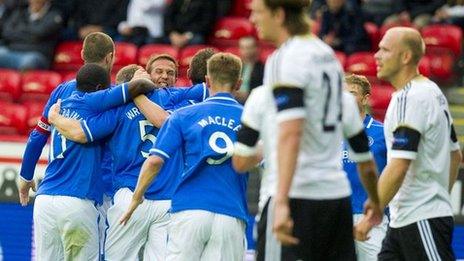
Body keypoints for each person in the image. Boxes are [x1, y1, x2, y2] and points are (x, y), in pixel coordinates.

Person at [243, 0, 382, 259]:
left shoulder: (285, 57)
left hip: (297, 195)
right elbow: (363, 152)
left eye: (257, 12)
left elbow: (291, 131)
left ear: (279, 13)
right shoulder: (326, 54)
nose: (252, 19)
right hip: (336, 198)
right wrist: (375, 200)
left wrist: (282, 202)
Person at [46, 49, 215, 260]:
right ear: (146, 75)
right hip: (159, 199)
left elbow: (81, 132)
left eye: (170, 73)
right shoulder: (180, 102)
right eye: (159, 71)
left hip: (139, 198)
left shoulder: (118, 108)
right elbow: (212, 88)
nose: (164, 76)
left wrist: (55, 119)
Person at [120, 53, 247, 260]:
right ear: (239, 83)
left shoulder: (185, 115)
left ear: (207, 81)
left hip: (190, 208)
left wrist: (136, 197)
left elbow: (154, 161)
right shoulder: (249, 118)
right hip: (231, 210)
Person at [29, 63, 155, 260]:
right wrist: (141, 79)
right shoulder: (94, 103)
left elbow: (38, 135)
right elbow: (139, 86)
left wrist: (53, 117)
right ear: (99, 90)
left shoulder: (63, 105)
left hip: (44, 200)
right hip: (76, 199)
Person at [356, 27, 462, 261]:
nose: (376, 55)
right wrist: (438, 197)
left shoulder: (409, 98)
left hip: (420, 219)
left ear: (405, 57)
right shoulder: (432, 92)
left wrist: (371, 214)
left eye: (384, 49)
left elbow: (399, 164)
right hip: (405, 220)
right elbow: (455, 156)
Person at [18, 32, 116, 259]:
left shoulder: (60, 92)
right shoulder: (109, 96)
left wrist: (25, 176)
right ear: (110, 57)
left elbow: (37, 136)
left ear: (82, 54)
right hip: (81, 199)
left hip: (46, 199)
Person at [343, 74, 388, 260]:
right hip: (337, 215)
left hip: (370, 218)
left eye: (352, 93)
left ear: (365, 97)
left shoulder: (382, 132)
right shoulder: (331, 133)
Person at [0, 0, 63, 70]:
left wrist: (18, 32)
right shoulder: (20, 11)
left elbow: (39, 33)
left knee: (29, 62)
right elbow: (6, 32)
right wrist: (30, 33)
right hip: (12, 51)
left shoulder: (55, 15)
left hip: (37, 54)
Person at [235, 36, 264, 104]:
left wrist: (248, 94)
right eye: (243, 48)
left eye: (248, 48)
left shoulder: (262, 68)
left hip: (254, 101)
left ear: (256, 49)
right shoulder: (235, 67)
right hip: (236, 99)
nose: (246, 51)